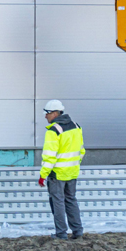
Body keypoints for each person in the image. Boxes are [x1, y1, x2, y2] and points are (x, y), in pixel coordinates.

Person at [38, 100, 85, 240]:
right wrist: (74, 165)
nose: (45, 116)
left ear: (54, 113)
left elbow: (49, 157)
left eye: (46, 113)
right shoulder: (76, 127)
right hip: (72, 172)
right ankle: (77, 231)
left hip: (57, 174)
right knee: (71, 200)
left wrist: (43, 175)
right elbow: (81, 151)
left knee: (57, 202)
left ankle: (61, 233)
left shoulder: (54, 131)